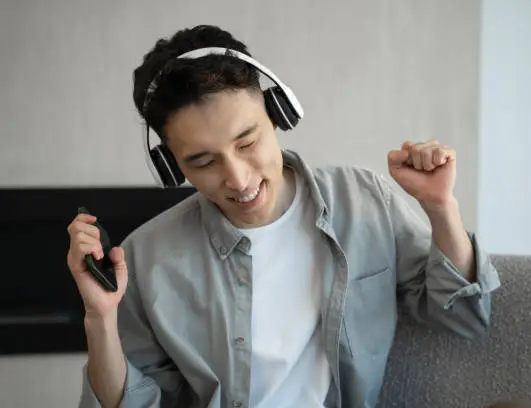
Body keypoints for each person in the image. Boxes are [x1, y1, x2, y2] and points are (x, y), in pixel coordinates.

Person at [67, 24, 501, 408]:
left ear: (277, 113)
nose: (237, 179)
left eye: (246, 142)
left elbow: (463, 317)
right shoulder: (147, 257)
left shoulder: (365, 200)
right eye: (202, 161)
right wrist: (99, 317)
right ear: (173, 167)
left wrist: (440, 206)